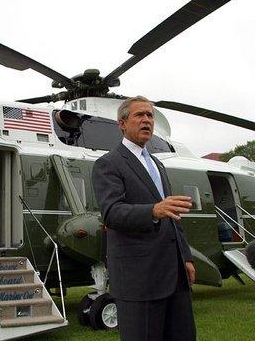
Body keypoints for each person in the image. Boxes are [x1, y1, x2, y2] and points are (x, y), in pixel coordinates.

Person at [92, 96, 196, 340]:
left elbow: (171, 215)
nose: (147, 120)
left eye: (150, 115)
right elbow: (112, 212)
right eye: (140, 115)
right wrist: (152, 211)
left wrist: (186, 258)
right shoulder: (108, 164)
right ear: (122, 124)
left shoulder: (158, 165)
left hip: (174, 274)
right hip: (139, 279)